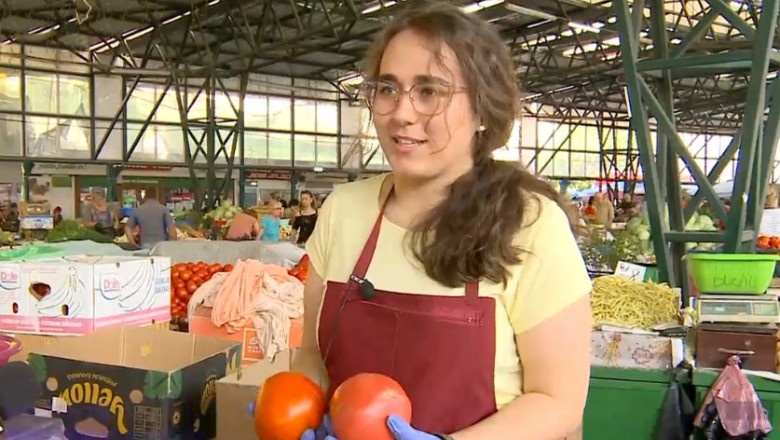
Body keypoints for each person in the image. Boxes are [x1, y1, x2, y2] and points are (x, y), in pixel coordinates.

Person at [294, 3, 592, 440]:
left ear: (483, 109)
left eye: (430, 91)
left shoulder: (529, 224)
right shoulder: (343, 210)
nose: (402, 113)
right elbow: (310, 357)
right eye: (388, 89)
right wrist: (299, 412)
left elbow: (557, 401)